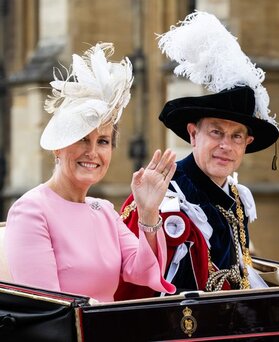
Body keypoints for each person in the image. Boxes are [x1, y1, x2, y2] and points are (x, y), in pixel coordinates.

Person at [114, 11, 279, 300]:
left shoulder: (236, 197)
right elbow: (134, 289)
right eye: (216, 132)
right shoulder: (163, 191)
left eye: (236, 136)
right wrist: (148, 215)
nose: (226, 146)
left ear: (246, 143)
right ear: (193, 135)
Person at [4, 42, 177, 302]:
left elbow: (141, 272)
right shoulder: (31, 210)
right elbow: (47, 308)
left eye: (103, 141)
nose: (92, 152)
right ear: (58, 148)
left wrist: (149, 211)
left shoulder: (104, 211)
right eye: (82, 139)